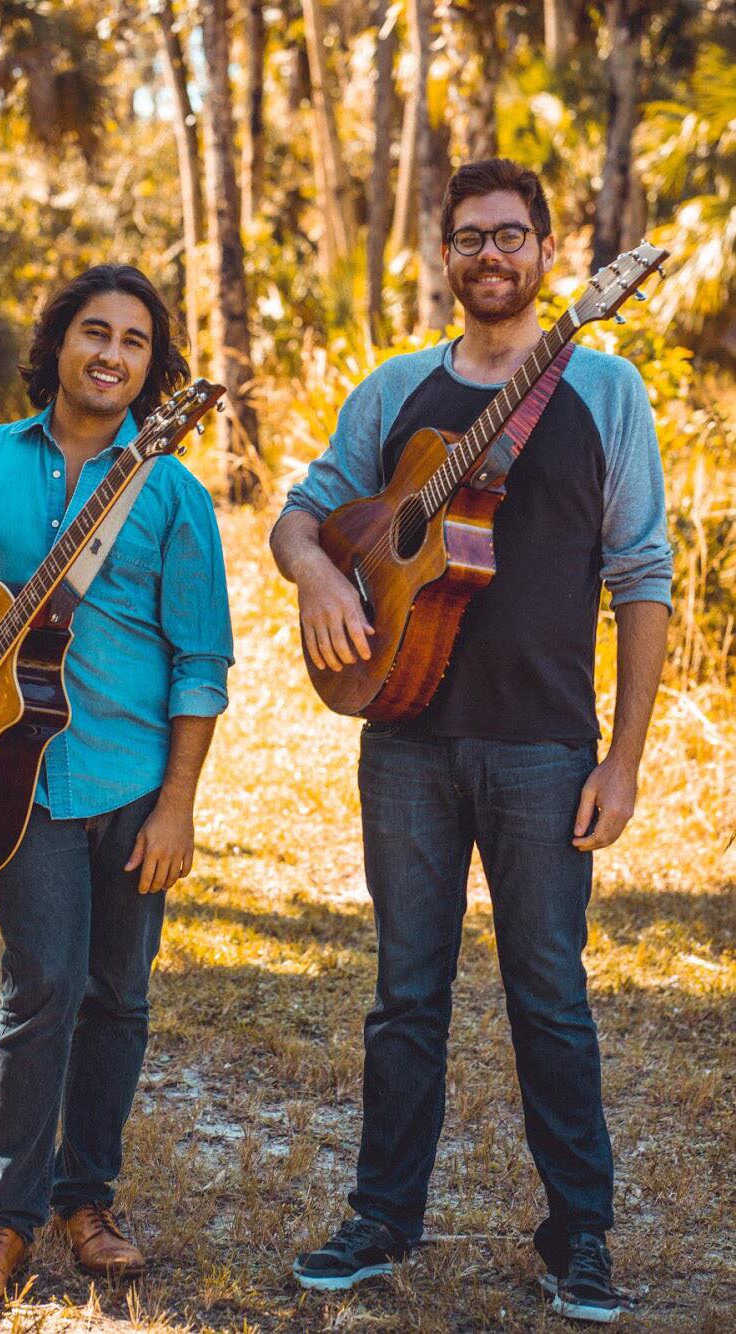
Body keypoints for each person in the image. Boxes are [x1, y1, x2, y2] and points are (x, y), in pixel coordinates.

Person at [270, 159, 671, 1324]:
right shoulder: (393, 390)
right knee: (404, 993)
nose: (488, 255)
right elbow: (304, 511)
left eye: (510, 235)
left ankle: (578, 1232)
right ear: (442, 255)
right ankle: (379, 1216)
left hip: (546, 746)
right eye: (467, 238)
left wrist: (624, 756)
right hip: (402, 734)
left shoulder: (603, 390)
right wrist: (314, 581)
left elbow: (642, 578)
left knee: (548, 994)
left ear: (547, 254)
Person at [0, 264, 233, 1306]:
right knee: (41, 988)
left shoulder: (168, 490)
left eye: (133, 341)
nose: (111, 353)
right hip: (7, 779)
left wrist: (176, 803)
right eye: (93, 331)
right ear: (59, 343)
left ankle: (89, 1195)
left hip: (129, 776)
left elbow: (200, 660)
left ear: (153, 369)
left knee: (117, 994)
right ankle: (4, 1219)